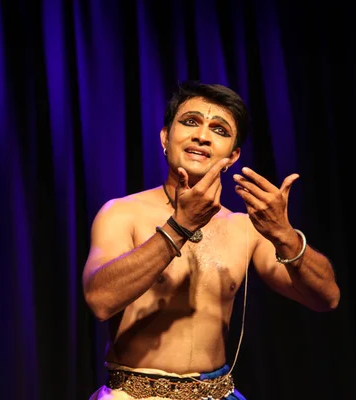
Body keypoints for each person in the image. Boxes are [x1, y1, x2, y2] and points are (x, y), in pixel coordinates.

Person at [83, 81, 340, 400]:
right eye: (190, 122)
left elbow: (325, 298)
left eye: (219, 129)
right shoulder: (122, 214)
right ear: (165, 137)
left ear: (233, 155)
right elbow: (100, 300)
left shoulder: (244, 227)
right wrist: (179, 226)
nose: (202, 136)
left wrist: (285, 236)